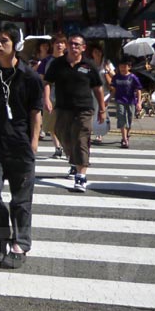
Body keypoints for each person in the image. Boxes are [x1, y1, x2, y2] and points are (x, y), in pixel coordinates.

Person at [0, 23, 43, 270]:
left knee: (21, 199)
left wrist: (33, 144)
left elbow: (36, 113)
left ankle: (20, 244)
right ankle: (2, 233)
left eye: (4, 40)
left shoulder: (30, 77)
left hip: (20, 144)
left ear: (16, 45)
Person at [43, 34, 106, 193]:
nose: (73, 46)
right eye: (71, 43)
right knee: (63, 135)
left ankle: (81, 176)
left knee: (81, 140)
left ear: (83, 48)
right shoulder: (58, 64)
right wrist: (47, 99)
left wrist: (102, 109)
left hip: (84, 109)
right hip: (63, 108)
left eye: (77, 44)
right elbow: (48, 82)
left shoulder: (89, 65)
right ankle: (74, 160)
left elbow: (98, 88)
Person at [38, 33, 66, 158]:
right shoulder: (46, 61)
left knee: (64, 125)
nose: (59, 45)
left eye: (62, 43)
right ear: (53, 45)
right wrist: (45, 97)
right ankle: (58, 147)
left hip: (66, 97)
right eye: (57, 43)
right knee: (51, 125)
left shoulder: (69, 60)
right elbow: (42, 79)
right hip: (50, 96)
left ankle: (66, 148)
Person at [110, 55, 143, 148]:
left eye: (125, 66)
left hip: (131, 101)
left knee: (129, 119)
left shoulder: (133, 77)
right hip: (120, 100)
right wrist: (107, 100)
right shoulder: (116, 77)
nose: (122, 68)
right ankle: (124, 139)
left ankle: (127, 135)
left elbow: (138, 90)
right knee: (121, 118)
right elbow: (113, 89)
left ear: (129, 67)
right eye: (121, 66)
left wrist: (139, 103)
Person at [88, 42, 115, 143]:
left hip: (105, 92)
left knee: (101, 111)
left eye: (99, 51)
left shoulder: (106, 63)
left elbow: (114, 76)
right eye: (95, 52)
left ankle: (99, 133)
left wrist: (108, 70)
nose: (97, 53)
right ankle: (91, 131)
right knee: (92, 112)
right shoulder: (90, 63)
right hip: (92, 91)